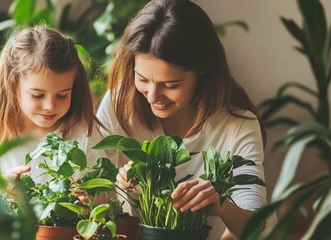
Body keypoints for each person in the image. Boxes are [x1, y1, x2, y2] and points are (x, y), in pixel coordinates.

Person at [96, 0, 275, 239]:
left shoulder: (237, 124)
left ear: (202, 70)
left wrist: (221, 205)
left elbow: (258, 222)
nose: (153, 95)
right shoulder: (119, 103)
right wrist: (121, 187)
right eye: (142, 79)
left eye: (171, 85)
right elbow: (93, 192)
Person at [0, 25, 104, 183]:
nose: (50, 105)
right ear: (13, 85)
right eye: (38, 95)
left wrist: (87, 201)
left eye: (62, 96)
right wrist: (2, 188)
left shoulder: (84, 134)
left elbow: (105, 199)